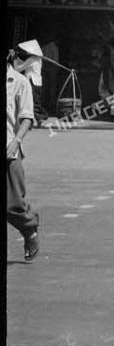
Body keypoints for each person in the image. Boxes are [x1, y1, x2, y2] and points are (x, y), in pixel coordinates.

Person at [7, 50, 40, 260]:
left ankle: (29, 230)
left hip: (8, 149)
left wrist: (16, 141)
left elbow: (27, 117)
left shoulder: (19, 82)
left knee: (13, 203)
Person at [16, 41, 46, 127]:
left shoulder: (31, 59)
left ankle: (33, 120)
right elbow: (24, 63)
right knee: (35, 102)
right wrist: (17, 58)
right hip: (38, 83)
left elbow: (18, 68)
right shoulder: (38, 59)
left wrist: (14, 59)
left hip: (31, 82)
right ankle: (39, 118)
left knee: (29, 102)